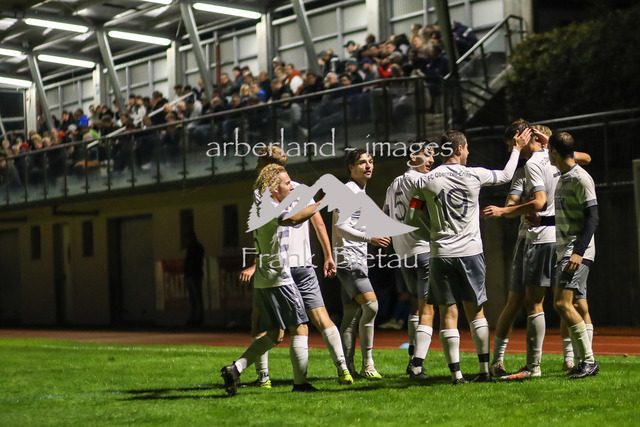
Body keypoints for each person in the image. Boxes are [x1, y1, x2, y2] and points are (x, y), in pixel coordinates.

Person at [410, 129, 527, 384]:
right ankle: (484, 371)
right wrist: (517, 149)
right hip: (471, 252)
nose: (469, 152)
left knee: (448, 314)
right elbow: (506, 175)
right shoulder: (475, 174)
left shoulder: (425, 180)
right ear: (459, 149)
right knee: (476, 312)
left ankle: (457, 374)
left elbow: (412, 214)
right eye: (467, 148)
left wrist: (433, 232)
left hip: (441, 253)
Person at [239, 146, 354, 387]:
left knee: (270, 325)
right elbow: (318, 224)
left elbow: (263, 234)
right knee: (320, 318)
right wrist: (328, 255)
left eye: (261, 163)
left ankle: (265, 378)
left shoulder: (263, 195)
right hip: (302, 264)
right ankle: (343, 370)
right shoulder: (300, 189)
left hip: (279, 269)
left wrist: (255, 264)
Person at [221, 164, 324, 396]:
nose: (291, 186)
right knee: (300, 328)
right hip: (280, 279)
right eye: (287, 183)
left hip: (263, 281)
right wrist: (322, 202)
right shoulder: (270, 207)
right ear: (274, 189)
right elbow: (294, 219)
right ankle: (300, 384)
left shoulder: (262, 202)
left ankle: (235, 370)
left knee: (275, 334)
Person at [481, 119, 557, 378]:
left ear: (524, 137)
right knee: (523, 301)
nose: (511, 148)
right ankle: (499, 362)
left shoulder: (537, 163)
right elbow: (514, 201)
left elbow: (538, 203)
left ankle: (535, 366)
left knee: (539, 303)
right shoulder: (550, 161)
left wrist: (506, 211)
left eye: (512, 143)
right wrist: (517, 206)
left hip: (539, 238)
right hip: (539, 237)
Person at [538, 131, 599, 379]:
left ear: (554, 152)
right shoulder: (563, 177)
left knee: (561, 303)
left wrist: (578, 253)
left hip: (576, 252)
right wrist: (541, 220)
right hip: (566, 249)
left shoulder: (580, 178)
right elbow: (566, 216)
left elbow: (593, 218)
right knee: (576, 304)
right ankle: (583, 361)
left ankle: (589, 361)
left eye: (549, 151)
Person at [333, 148, 391, 379]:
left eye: (371, 161)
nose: (368, 166)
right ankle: (368, 364)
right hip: (349, 261)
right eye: (362, 162)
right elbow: (341, 227)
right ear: (351, 167)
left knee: (350, 317)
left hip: (354, 260)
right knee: (372, 306)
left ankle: (347, 369)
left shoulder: (359, 193)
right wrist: (371, 238)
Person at [383, 142, 435, 380]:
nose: (432, 160)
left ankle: (413, 355)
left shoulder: (393, 183)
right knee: (428, 309)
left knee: (415, 306)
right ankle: (417, 365)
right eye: (428, 155)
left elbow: (384, 214)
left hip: (403, 253)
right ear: (414, 157)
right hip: (423, 249)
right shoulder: (422, 181)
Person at [183, 231, 205, 326]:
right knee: (195, 297)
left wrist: (187, 272)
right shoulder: (197, 247)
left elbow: (191, 262)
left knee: (194, 297)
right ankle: (197, 317)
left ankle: (196, 317)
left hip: (193, 274)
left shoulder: (193, 248)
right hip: (194, 274)